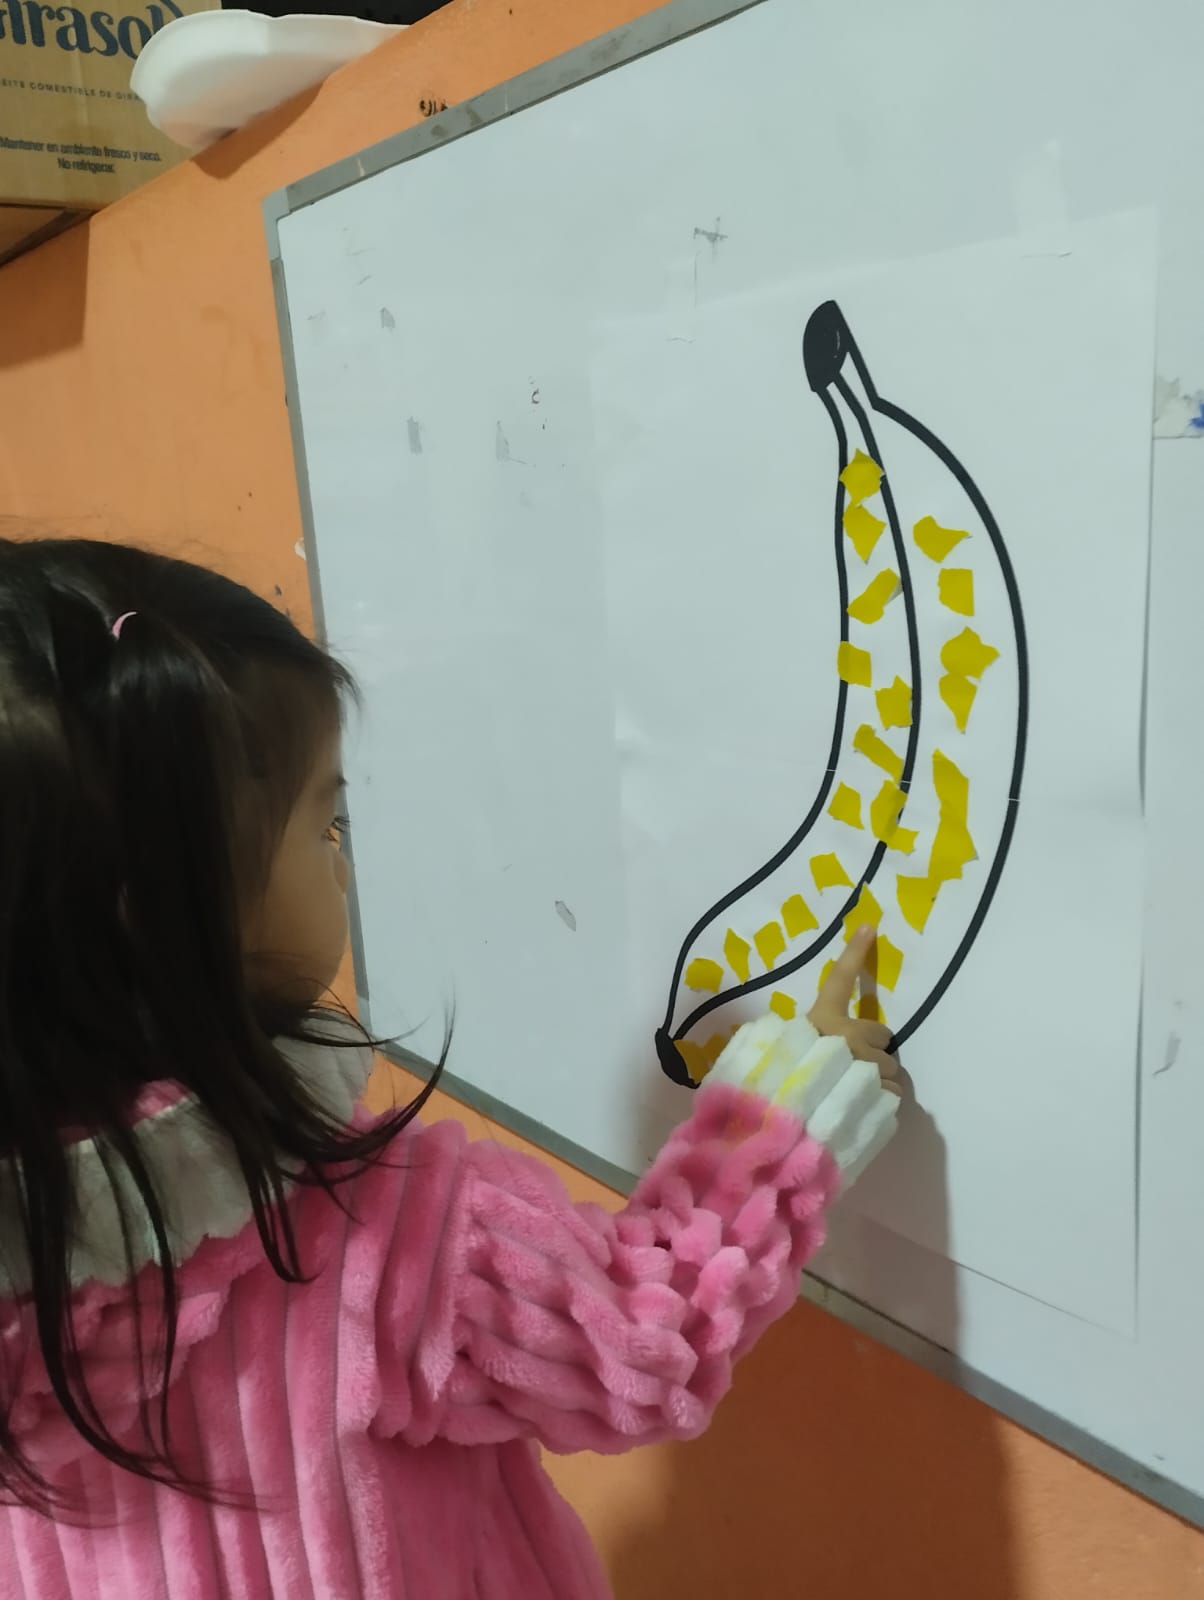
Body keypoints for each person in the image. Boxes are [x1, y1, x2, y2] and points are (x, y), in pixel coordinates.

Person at [0, 538, 900, 1599]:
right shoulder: (393, 1236)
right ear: (171, 913)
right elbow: (647, 1341)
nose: (344, 857)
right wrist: (789, 1116)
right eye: (326, 821)